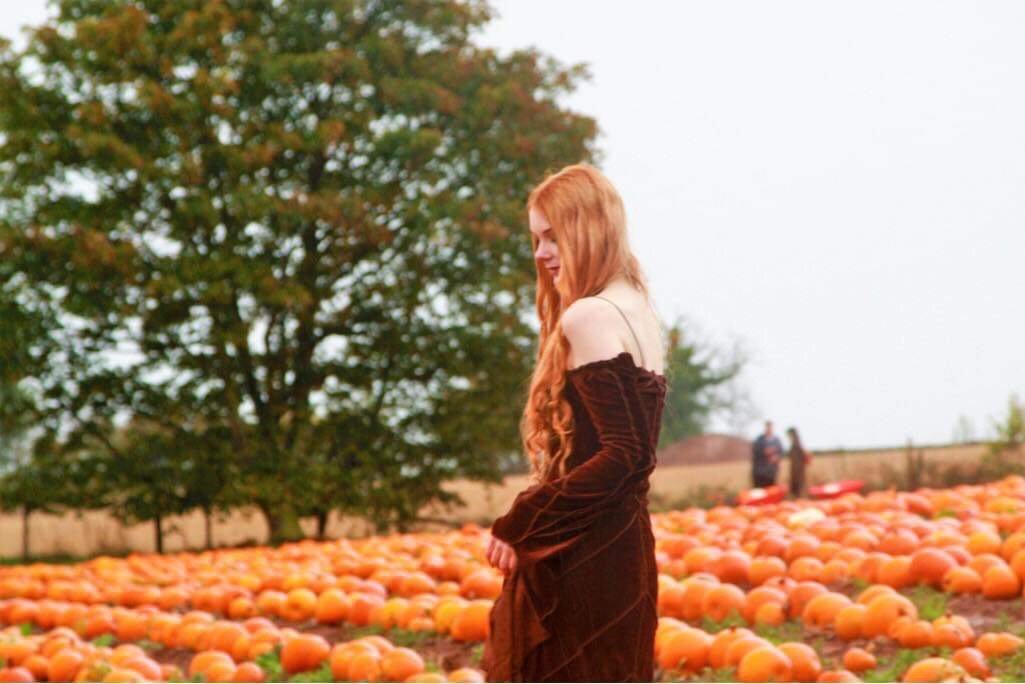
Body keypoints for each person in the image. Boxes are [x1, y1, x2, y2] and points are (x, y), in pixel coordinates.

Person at [480, 163, 667, 683]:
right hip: (627, 553)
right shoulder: (638, 310)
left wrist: (523, 521)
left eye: (552, 236)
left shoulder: (588, 316)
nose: (540, 254)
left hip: (583, 555)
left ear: (588, 228)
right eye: (536, 239)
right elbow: (634, 462)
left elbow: (625, 456)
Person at [751, 420, 783, 488]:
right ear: (765, 428)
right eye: (767, 427)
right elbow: (756, 451)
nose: (769, 429)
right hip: (760, 473)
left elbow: (780, 452)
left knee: (771, 490)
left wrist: (777, 458)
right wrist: (765, 452)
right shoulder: (759, 440)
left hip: (772, 472)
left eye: (770, 427)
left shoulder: (777, 440)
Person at [786, 426, 813, 498]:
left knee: (799, 487)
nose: (788, 437)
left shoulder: (798, 444)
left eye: (789, 435)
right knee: (796, 488)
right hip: (795, 470)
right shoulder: (795, 444)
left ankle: (801, 500)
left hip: (799, 470)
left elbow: (806, 456)